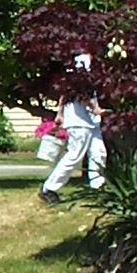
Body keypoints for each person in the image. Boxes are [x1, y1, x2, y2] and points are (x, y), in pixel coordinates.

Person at [40, 52, 106, 203]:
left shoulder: (76, 75)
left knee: (98, 152)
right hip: (79, 121)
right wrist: (95, 108)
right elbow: (80, 95)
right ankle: (48, 188)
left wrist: (59, 113)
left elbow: (64, 94)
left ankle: (97, 186)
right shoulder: (80, 74)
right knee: (74, 155)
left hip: (91, 120)